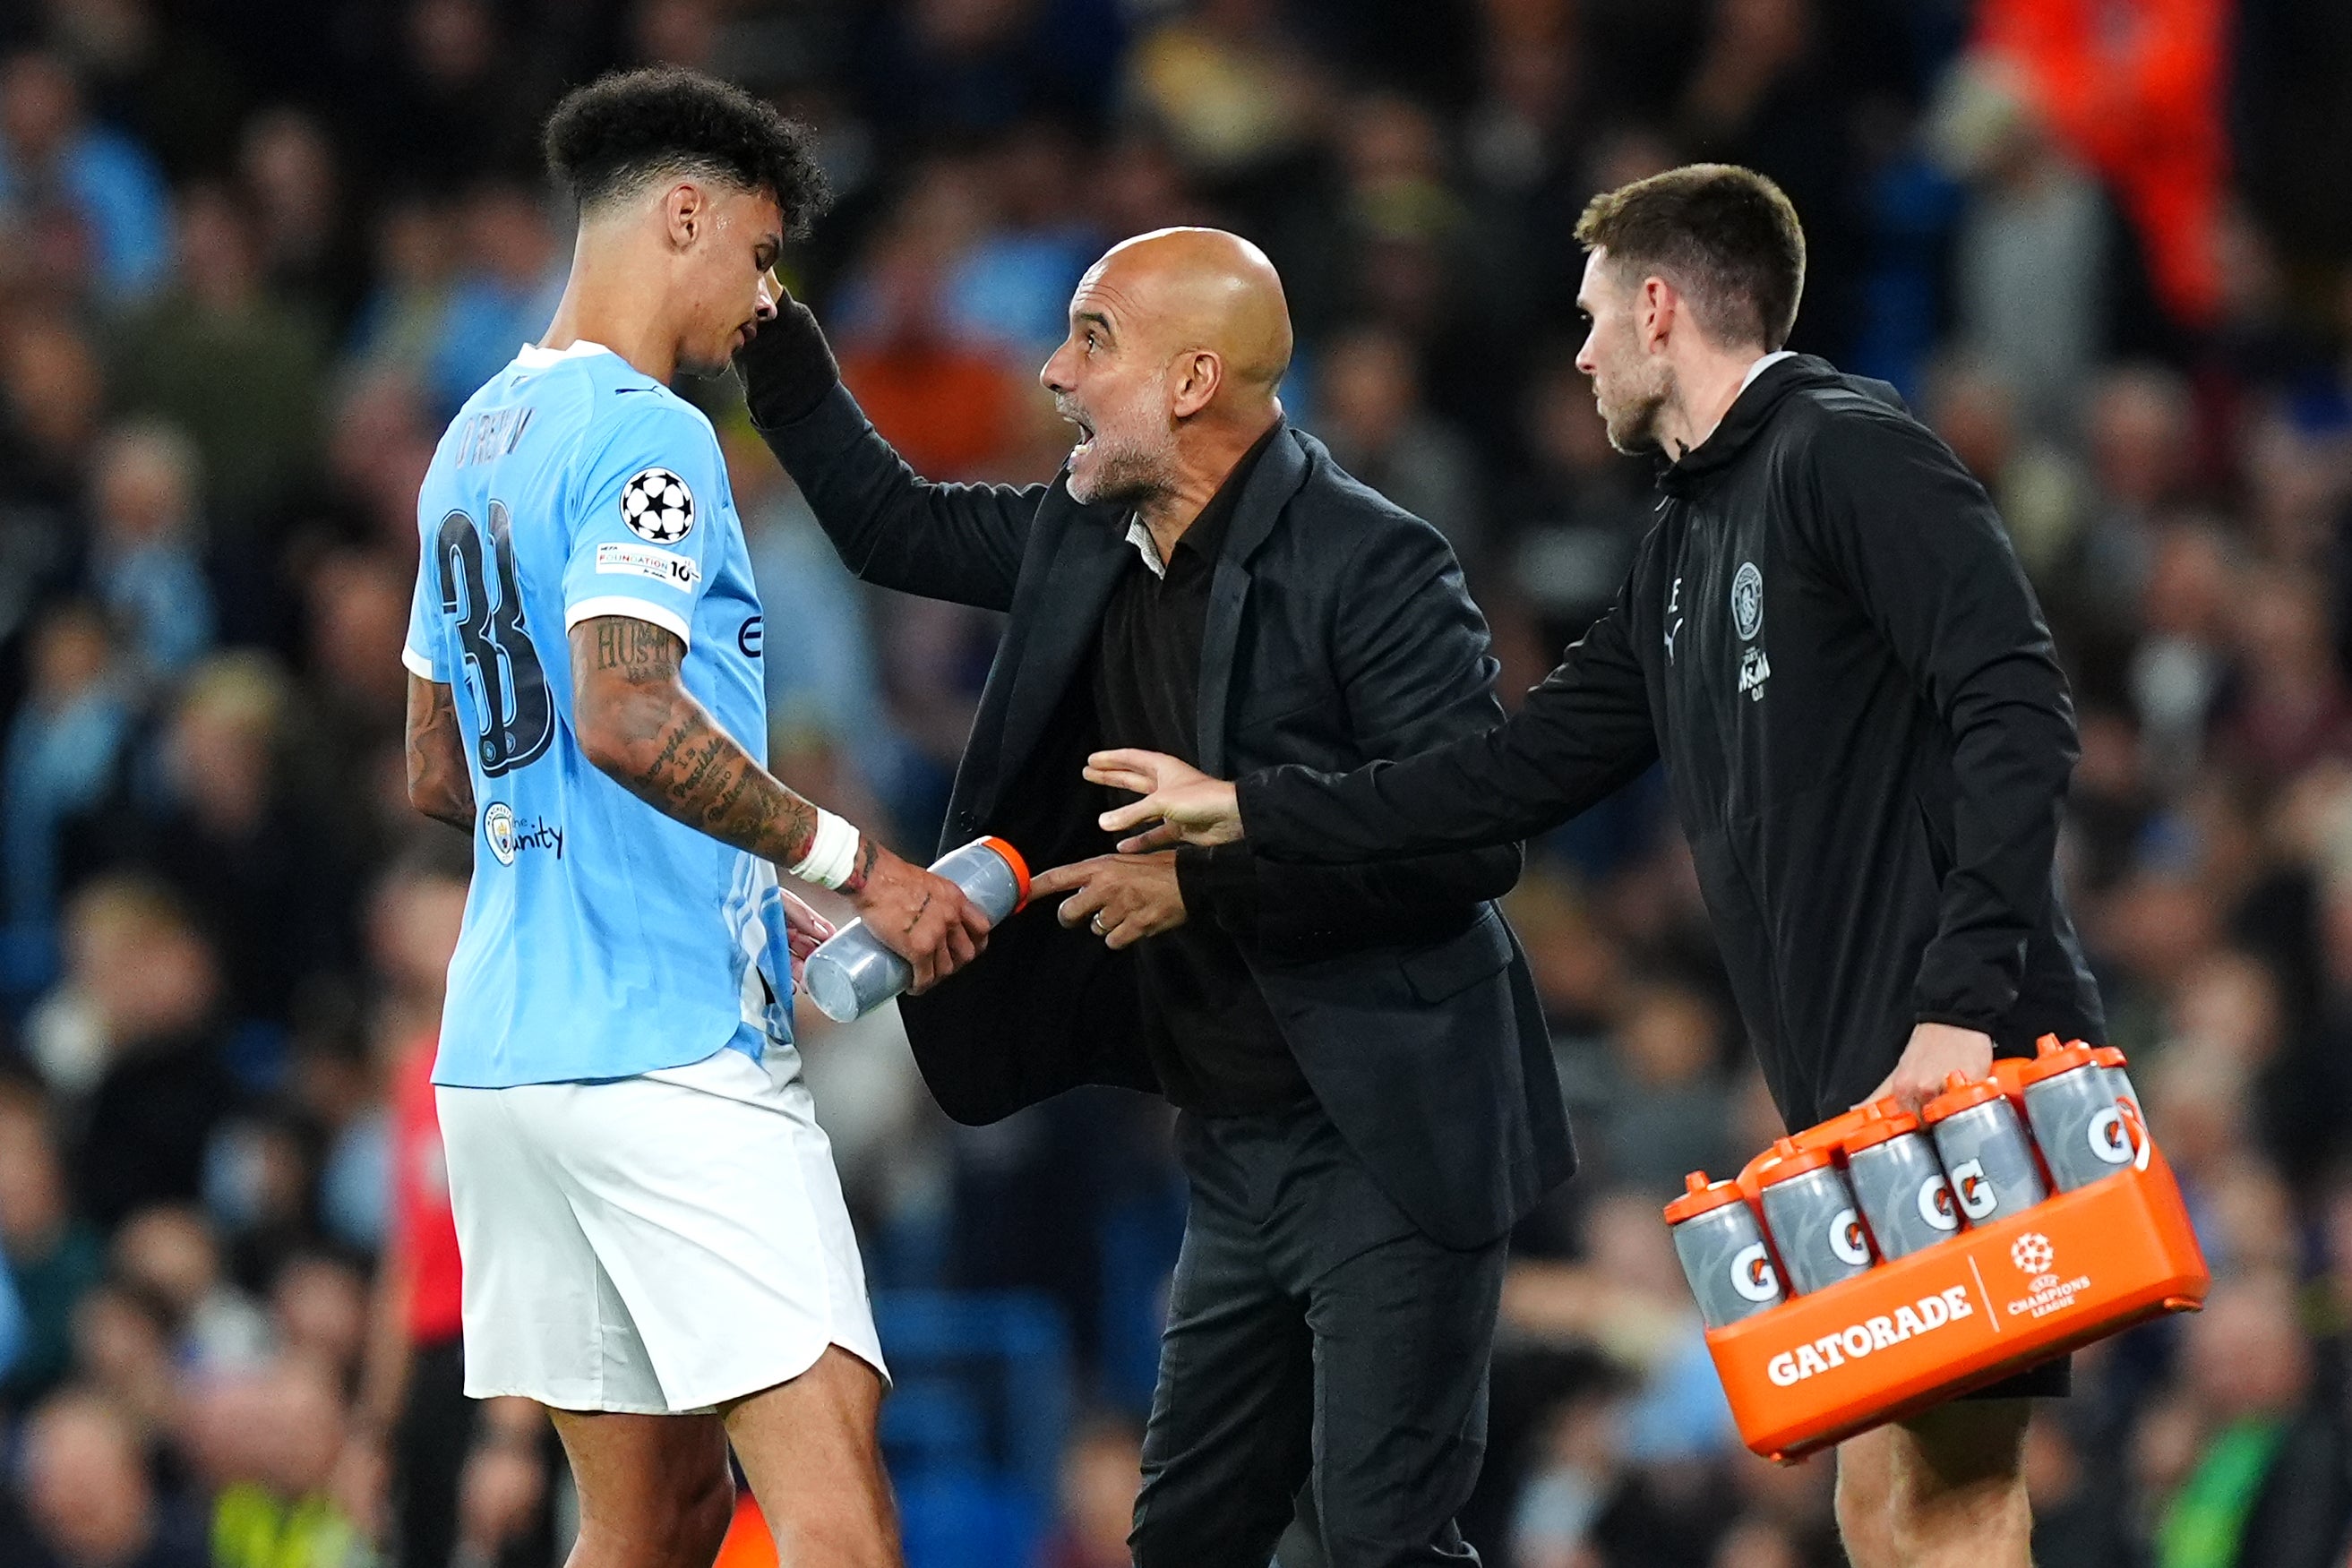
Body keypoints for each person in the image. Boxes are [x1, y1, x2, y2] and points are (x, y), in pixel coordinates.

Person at [1091, 165, 2105, 1568]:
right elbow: (1511, 775)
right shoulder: (1685, 538)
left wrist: (1961, 1011)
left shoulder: (1848, 451)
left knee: (1952, 1482)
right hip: (1847, 1079)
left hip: (1956, 1047)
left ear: (1654, 306)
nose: (1575, 353)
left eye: (1587, 318)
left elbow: (2017, 702)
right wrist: (1253, 810)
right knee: (1877, 1496)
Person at [736, 226, 1572, 1566]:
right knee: (1187, 1538)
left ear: (1192, 381)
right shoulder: (1089, 530)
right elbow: (890, 526)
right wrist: (769, 340)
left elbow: (1465, 846)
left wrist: (1210, 883)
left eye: (1093, 339)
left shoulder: (1377, 565)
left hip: (1394, 1131)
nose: (1054, 372)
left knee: (1377, 1542)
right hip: (1234, 1139)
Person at [400, 66, 992, 1568]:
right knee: (836, 1511)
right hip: (664, 1055)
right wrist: (861, 868)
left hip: (504, 1071)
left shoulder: (471, 438)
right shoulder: (652, 440)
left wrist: (723, 880)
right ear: (685, 215)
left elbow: (438, 770)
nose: (767, 301)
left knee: (649, 1522)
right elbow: (625, 714)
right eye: (760, 253)